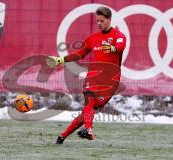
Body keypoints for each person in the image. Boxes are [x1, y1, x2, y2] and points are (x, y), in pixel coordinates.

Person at [46, 6, 126, 144]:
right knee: (89, 100)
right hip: (93, 76)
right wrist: (61, 60)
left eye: (102, 20)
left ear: (109, 20)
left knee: (87, 113)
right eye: (97, 21)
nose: (99, 23)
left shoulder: (118, 36)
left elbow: (121, 46)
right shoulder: (93, 38)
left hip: (110, 80)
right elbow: (79, 54)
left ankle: (62, 136)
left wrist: (112, 48)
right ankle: (89, 130)